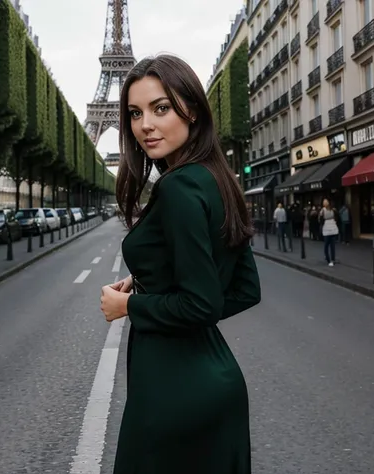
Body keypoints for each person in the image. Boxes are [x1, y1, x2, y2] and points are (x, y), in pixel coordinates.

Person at [99, 55, 261, 474]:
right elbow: (244, 289)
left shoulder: (177, 187)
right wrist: (152, 281)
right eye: (135, 113)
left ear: (191, 109)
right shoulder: (217, 178)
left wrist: (130, 307)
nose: (144, 125)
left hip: (173, 389)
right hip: (218, 382)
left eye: (161, 108)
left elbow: (200, 305)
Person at [320, 199, 339, 267]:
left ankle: (328, 259)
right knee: (332, 246)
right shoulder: (333, 209)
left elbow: (321, 220)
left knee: (326, 246)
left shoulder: (322, 211)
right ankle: (333, 259)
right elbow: (337, 216)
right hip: (333, 229)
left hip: (327, 229)